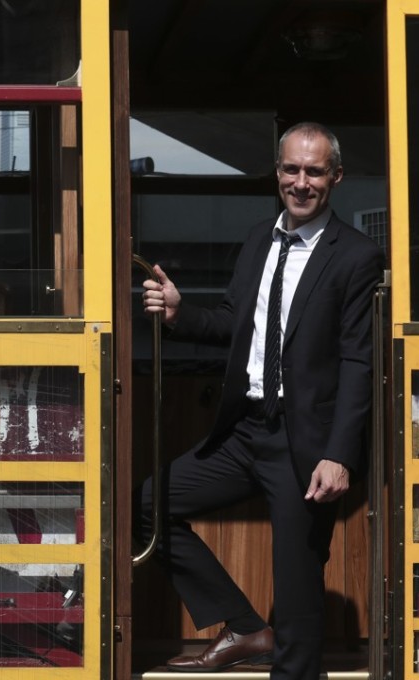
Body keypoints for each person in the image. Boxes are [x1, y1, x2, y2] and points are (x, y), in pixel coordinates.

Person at [139, 122, 384, 678]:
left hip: (306, 444)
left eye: (314, 171)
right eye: (291, 170)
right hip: (243, 430)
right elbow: (236, 324)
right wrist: (181, 315)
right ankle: (245, 626)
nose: (301, 182)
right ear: (277, 174)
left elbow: (357, 362)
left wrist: (339, 453)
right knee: (147, 506)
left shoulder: (356, 255)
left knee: (297, 597)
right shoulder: (257, 239)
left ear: (336, 177)